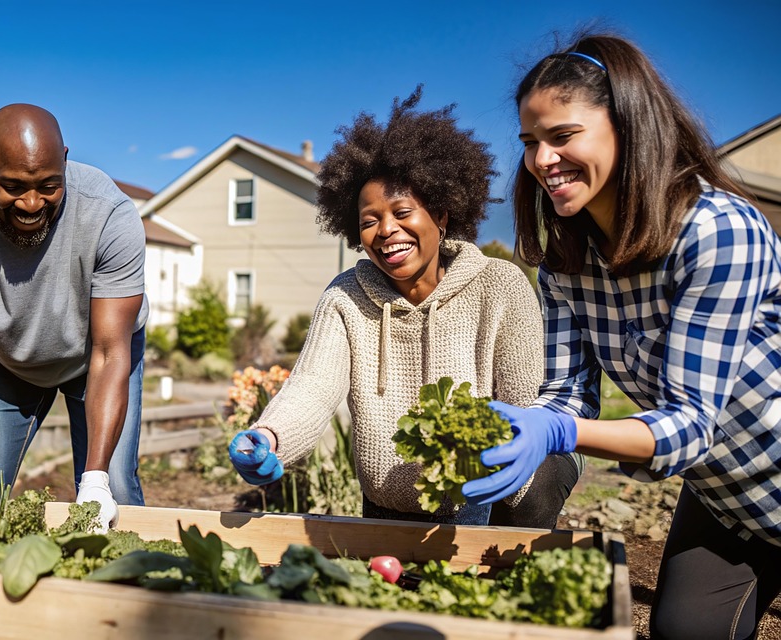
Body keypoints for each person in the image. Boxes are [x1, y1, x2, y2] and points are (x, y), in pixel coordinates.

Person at [457, 34, 781, 639]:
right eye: (530, 142)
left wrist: (561, 432)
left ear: (627, 126)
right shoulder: (565, 266)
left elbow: (689, 424)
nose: (542, 159)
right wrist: (525, 427)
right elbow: (566, 395)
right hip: (725, 496)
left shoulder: (716, 232)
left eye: (562, 135)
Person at [227, 87, 580, 527]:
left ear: (442, 215)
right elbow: (312, 386)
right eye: (369, 220)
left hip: (493, 495)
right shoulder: (345, 297)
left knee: (544, 472)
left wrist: (487, 482)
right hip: (391, 502)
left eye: (402, 212)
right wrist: (270, 436)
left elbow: (524, 404)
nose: (386, 230)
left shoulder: (499, 285)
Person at [0, 104, 146, 531]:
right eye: (14, 186)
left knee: (115, 490)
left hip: (98, 357)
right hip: (7, 358)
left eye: (49, 186)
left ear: (65, 162)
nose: (32, 204)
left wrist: (94, 481)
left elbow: (111, 353)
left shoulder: (110, 213)